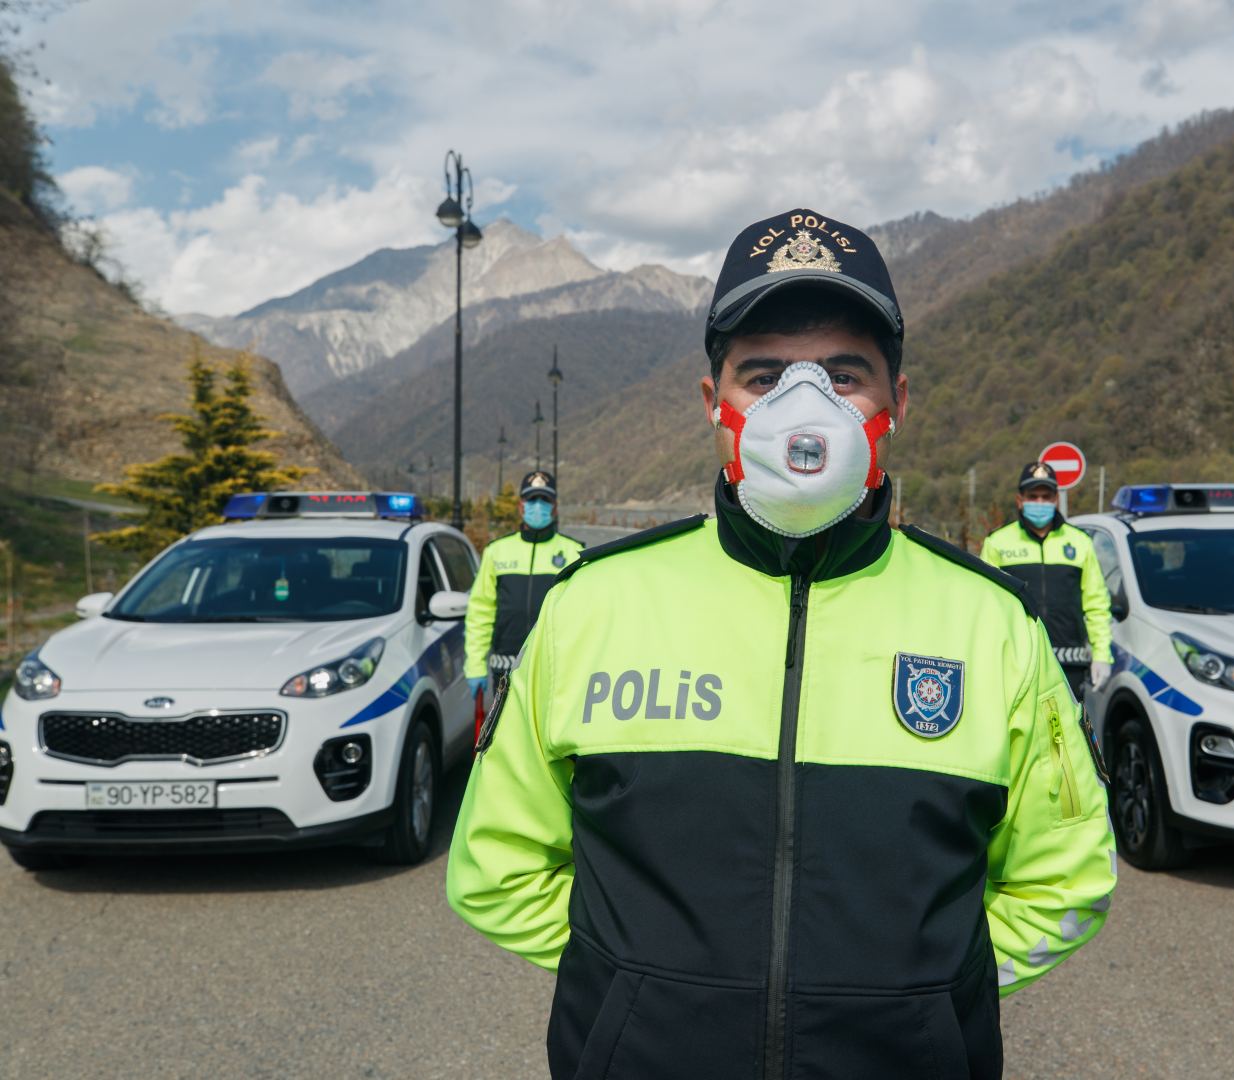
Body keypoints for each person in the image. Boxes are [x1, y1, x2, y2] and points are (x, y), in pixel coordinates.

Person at [447, 209, 1114, 1079]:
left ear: (898, 403)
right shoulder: (593, 607)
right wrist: (632, 986)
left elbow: (1069, 878)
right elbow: (495, 865)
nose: (807, 408)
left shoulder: (991, 626)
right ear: (712, 405)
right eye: (764, 376)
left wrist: (926, 1000)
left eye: (845, 375)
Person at [981, 463, 1115, 701]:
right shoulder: (997, 543)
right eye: (1033, 497)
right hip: (1017, 660)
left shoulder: (1080, 542)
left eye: (1046, 497)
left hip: (1070, 662)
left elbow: (1096, 604)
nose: (1040, 502)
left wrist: (1102, 654)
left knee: (1067, 725)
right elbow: (986, 605)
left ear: (1056, 500)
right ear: (1020, 500)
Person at [462, 469, 583, 702]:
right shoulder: (497, 551)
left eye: (544, 500)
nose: (538, 506)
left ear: (555, 507)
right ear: (521, 506)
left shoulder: (574, 553)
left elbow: (582, 616)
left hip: (555, 670)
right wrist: (475, 665)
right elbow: (480, 612)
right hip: (505, 671)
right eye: (532, 499)